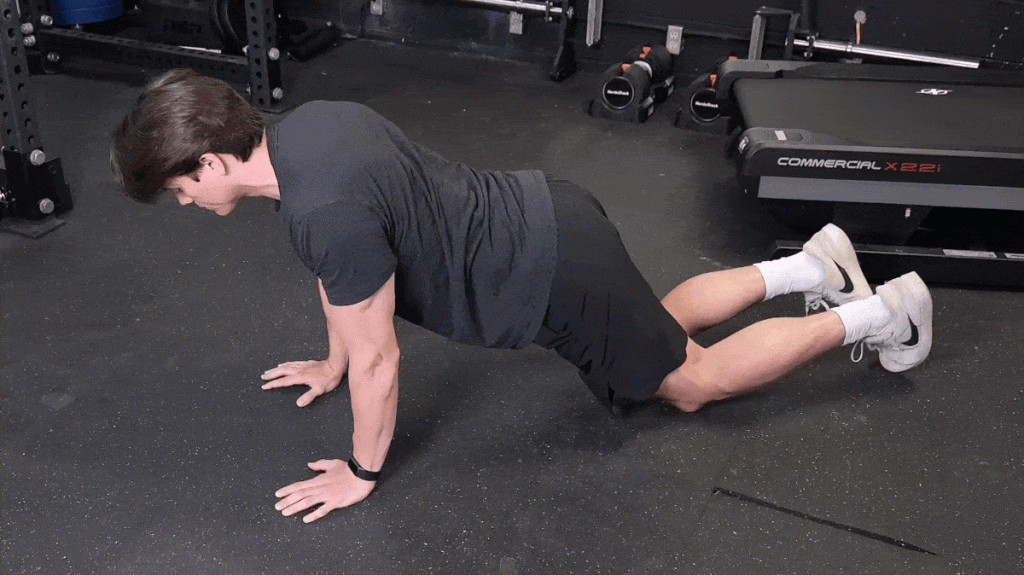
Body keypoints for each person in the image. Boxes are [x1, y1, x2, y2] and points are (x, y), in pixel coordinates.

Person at [110, 69, 933, 523]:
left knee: (689, 381)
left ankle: (883, 309)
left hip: (550, 275)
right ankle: (814, 267)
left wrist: (362, 470)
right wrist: (331, 363)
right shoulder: (314, 125)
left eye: (180, 190)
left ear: (210, 163)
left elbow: (382, 357)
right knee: (653, 325)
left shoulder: (321, 212)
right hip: (550, 211)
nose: (186, 205)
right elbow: (348, 293)